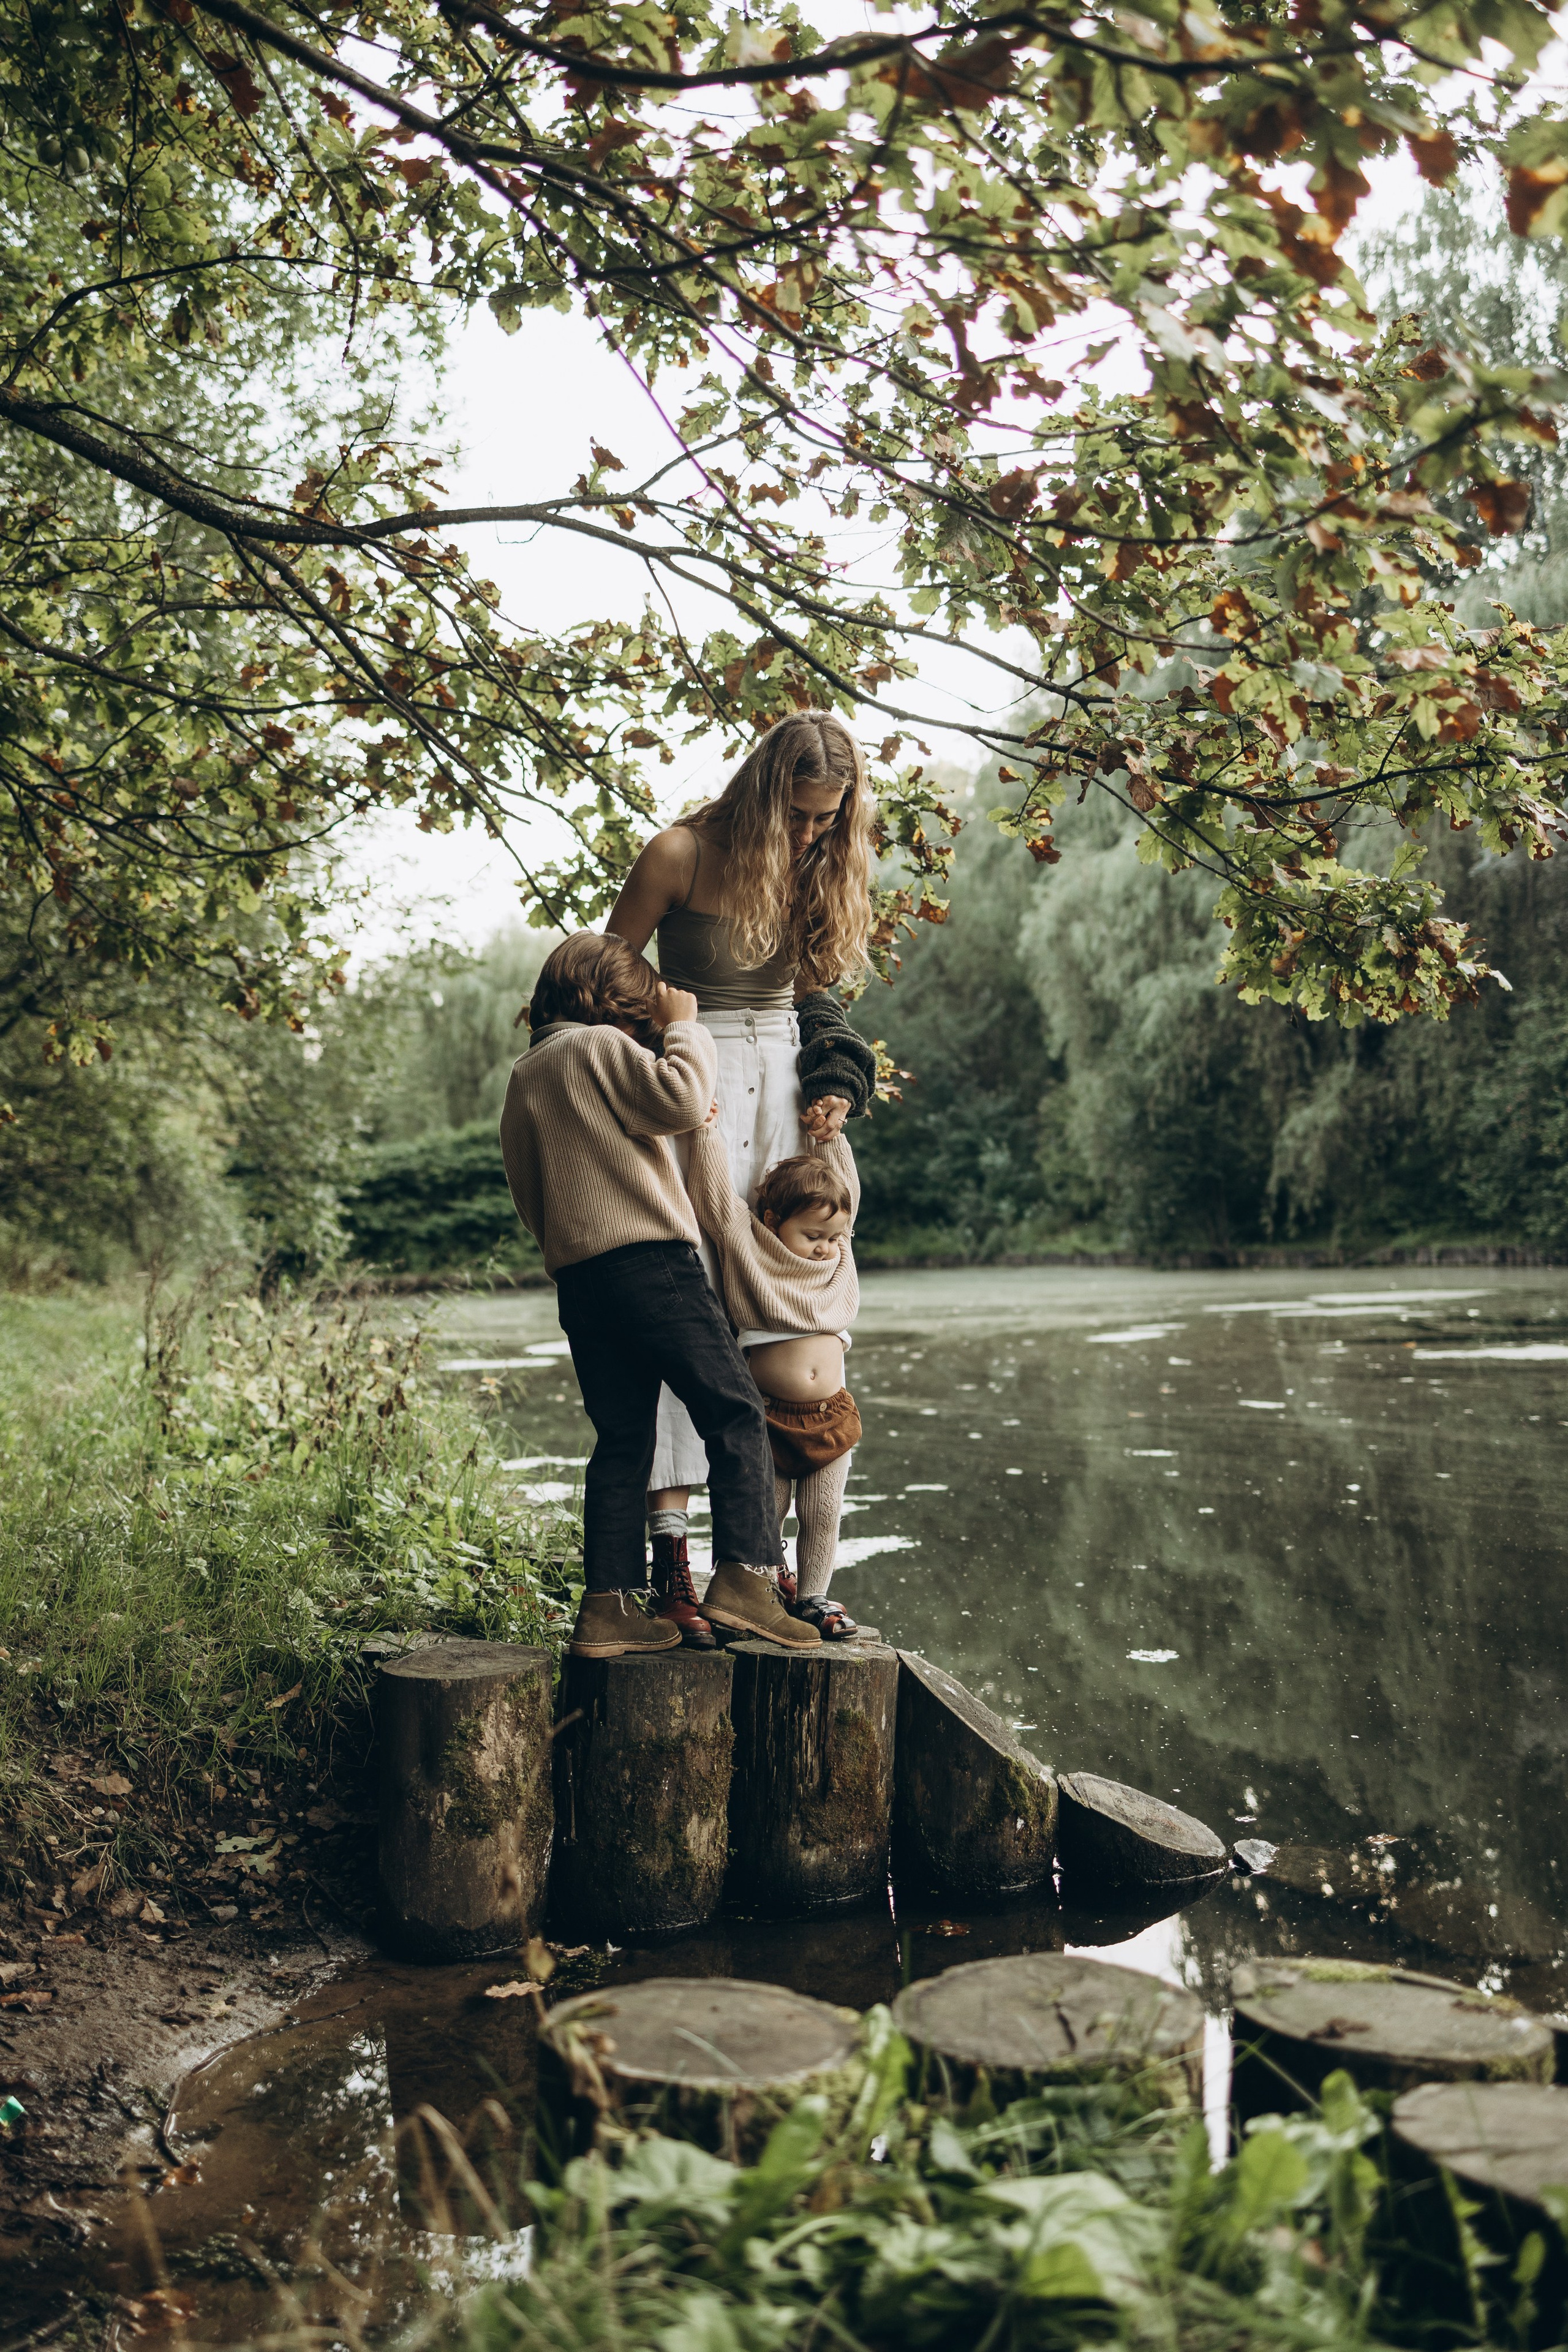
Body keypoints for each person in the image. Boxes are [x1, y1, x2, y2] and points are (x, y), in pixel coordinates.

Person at [606, 709, 880, 1636]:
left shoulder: (816, 866)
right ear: (766, 793)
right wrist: (664, 1058)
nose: (811, 835)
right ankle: (673, 1568)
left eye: (827, 821)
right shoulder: (676, 854)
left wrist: (836, 1079)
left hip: (785, 1081)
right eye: (800, 817)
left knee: (791, 1299)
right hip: (700, 1084)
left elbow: (816, 999)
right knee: (693, 1315)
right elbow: (608, 979)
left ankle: (772, 1576)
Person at [497, 932, 820, 1657]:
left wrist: (568, 1244)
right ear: (610, 1002)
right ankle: (746, 1580)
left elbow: (526, 1186)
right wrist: (685, 1028)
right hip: (652, 1262)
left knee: (622, 1441)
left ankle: (607, 1610)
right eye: (638, 1012)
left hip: (581, 1280)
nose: (645, 1025)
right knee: (735, 1410)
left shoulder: (527, 1074)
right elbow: (679, 1100)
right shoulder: (600, 1049)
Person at [686, 1126, 863, 1638]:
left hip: (830, 1414)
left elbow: (847, 1188)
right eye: (812, 1236)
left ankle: (814, 1598)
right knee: (769, 1511)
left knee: (824, 1513)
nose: (826, 1248)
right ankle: (756, 1598)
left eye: (834, 1238)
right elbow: (718, 1201)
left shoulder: (838, 1261)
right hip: (766, 1414)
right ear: (772, 1222)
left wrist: (832, 1136)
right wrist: (704, 1132)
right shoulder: (750, 1249)